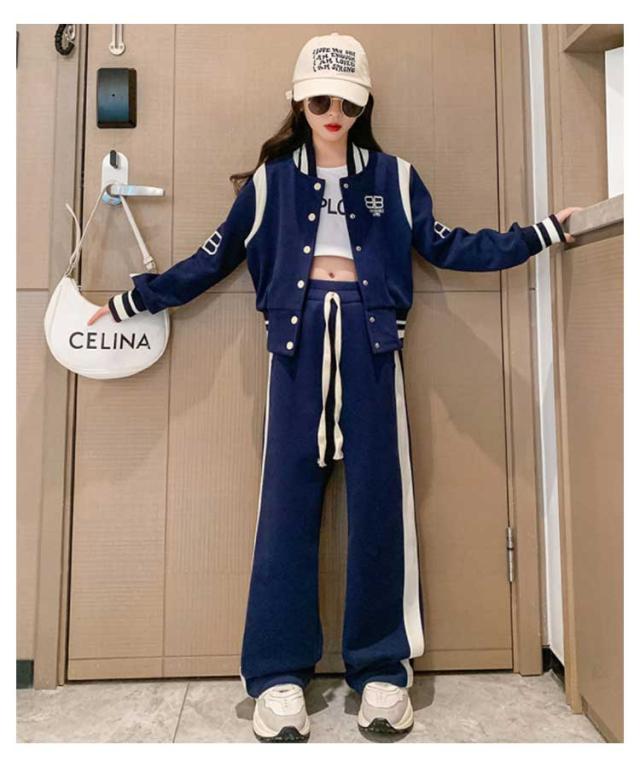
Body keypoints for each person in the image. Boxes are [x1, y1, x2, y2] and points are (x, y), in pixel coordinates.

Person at [89, 32, 581, 743]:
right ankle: (277, 676)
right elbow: (211, 258)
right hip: (294, 347)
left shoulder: (396, 178)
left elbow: (451, 244)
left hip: (373, 343)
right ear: (299, 102)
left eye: (347, 103)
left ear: (363, 104)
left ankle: (381, 669)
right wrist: (136, 300)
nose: (333, 114)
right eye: (321, 101)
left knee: (381, 501)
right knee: (286, 506)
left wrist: (540, 234)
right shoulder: (270, 183)